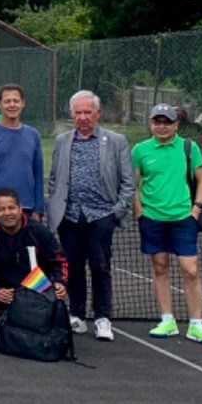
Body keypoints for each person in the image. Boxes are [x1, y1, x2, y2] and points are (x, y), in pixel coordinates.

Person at [46, 90, 135, 341]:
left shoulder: (116, 140)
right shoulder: (62, 141)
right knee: (72, 267)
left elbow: (128, 182)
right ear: (71, 114)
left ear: (98, 113)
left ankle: (102, 318)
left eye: (88, 112)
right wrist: (56, 206)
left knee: (100, 265)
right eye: (78, 113)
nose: (83, 117)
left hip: (102, 215)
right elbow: (55, 178)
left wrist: (116, 212)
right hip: (70, 216)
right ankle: (76, 315)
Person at [132, 104, 202, 346]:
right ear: (150, 124)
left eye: (166, 122)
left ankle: (196, 324)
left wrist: (195, 210)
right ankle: (167, 320)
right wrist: (139, 211)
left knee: (190, 269)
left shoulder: (189, 148)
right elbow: (132, 184)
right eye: (157, 122)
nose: (162, 126)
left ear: (175, 125)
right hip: (152, 219)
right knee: (159, 267)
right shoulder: (140, 150)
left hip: (183, 219)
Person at [0, 83, 45, 329]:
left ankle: (25, 309)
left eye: (16, 100)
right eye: (7, 101)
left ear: (23, 104)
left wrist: (37, 208)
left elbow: (37, 171)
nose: (12, 105)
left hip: (25, 210)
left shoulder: (32, 134)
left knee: (27, 263)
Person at [0, 188, 67, 327]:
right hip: (6, 289)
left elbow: (60, 261)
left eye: (11, 208)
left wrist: (60, 282)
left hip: (38, 286)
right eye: (2, 209)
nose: (7, 213)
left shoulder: (38, 231)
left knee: (59, 295)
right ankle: (5, 319)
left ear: (20, 208)